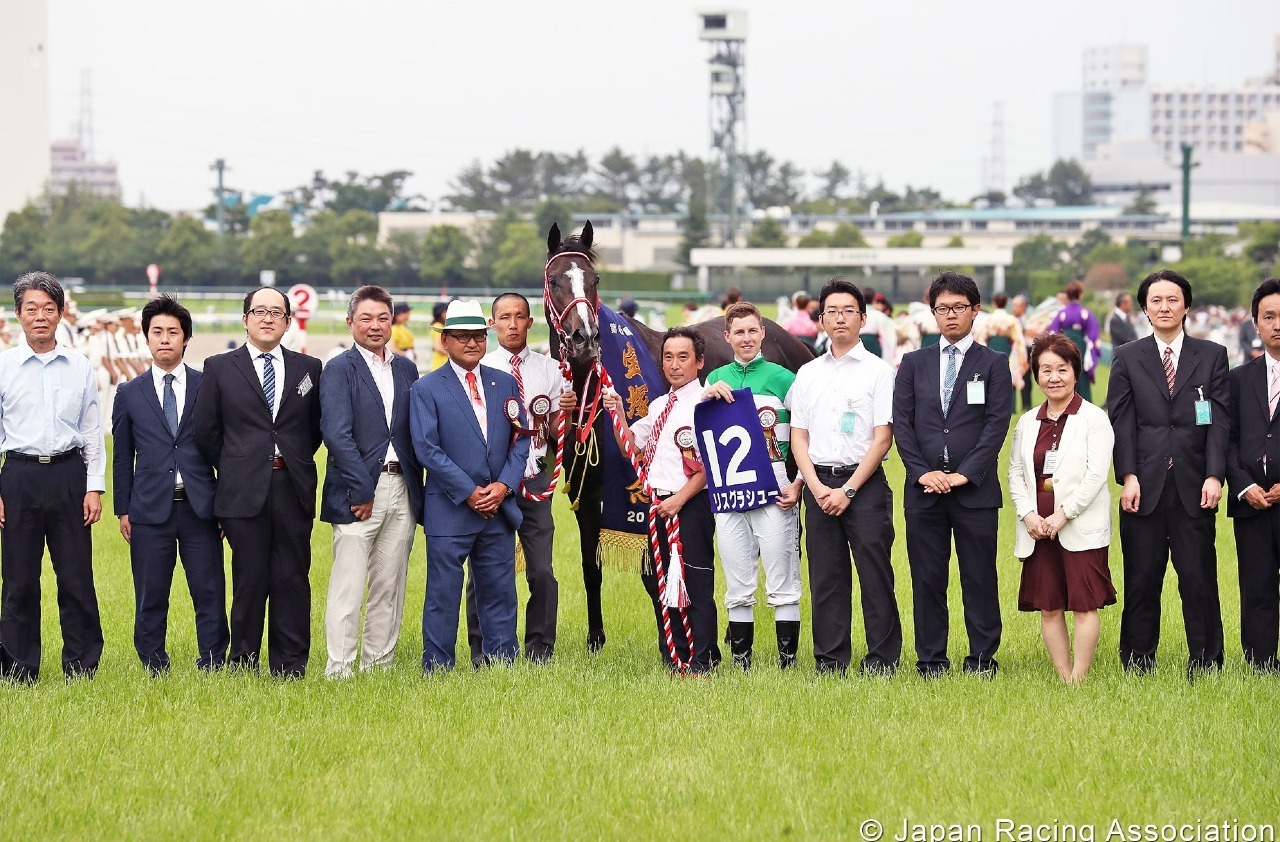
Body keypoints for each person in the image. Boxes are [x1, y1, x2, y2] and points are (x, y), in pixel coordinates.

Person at [193, 286, 324, 678]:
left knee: (292, 578)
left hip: (292, 485)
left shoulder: (308, 368)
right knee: (249, 579)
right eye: (259, 311)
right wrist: (239, 464)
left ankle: (290, 664)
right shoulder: (219, 366)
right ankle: (243, 661)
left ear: (287, 321)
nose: (268, 318)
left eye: (276, 312)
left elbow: (313, 429)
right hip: (241, 490)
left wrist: (291, 458)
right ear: (245, 318)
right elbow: (206, 432)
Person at [1106, 269, 1228, 677]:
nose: (1164, 307)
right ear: (1144, 308)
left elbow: (1219, 422)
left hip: (1195, 485)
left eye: (1172, 299)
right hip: (1144, 486)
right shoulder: (1127, 356)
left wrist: (1215, 474)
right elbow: (1121, 421)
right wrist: (1128, 475)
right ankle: (1139, 662)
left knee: (1198, 578)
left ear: (1187, 306)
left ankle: (1207, 661)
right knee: (1142, 579)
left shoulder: (1212, 355)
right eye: (1155, 300)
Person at [893, 271, 1014, 677]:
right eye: (942, 309)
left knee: (978, 578)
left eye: (958, 308)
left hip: (974, 492)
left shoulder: (994, 364)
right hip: (924, 491)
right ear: (932, 313)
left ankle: (982, 658)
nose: (950, 316)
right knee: (927, 578)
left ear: (975, 311)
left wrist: (965, 474)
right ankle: (931, 659)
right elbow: (902, 425)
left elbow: (997, 425)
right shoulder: (913, 363)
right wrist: (921, 472)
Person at [410, 299, 528, 673]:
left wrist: (505, 486)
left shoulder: (504, 383)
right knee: (443, 594)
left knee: (499, 591)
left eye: (478, 336)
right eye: (462, 337)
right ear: (445, 341)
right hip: (450, 507)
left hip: (497, 509)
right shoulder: (427, 388)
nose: (472, 343)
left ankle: (501, 664)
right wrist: (470, 492)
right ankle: (439, 666)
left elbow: (521, 439)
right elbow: (427, 448)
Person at [112, 294, 228, 674]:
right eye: (156, 332)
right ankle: (153, 663)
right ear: (146, 338)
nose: (164, 339)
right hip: (149, 510)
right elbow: (122, 455)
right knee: (150, 594)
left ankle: (211, 660)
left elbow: (224, 448)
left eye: (172, 332)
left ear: (186, 339)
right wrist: (123, 509)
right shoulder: (129, 393)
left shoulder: (207, 385)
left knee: (208, 590)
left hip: (201, 506)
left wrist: (225, 505)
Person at [790, 281, 901, 675]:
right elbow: (798, 436)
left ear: (863, 318)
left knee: (875, 575)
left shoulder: (879, 372)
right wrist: (817, 487)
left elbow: (883, 437)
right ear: (820, 320)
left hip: (865, 485)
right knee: (826, 578)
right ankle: (831, 660)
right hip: (818, 485)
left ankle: (882, 661)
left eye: (848, 310)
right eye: (832, 311)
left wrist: (849, 488)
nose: (840, 317)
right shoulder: (807, 374)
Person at [0, 271, 105, 682]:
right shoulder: (4, 366)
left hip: (68, 475)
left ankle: (81, 665)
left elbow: (93, 430)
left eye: (48, 308)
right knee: (20, 580)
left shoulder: (79, 366)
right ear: (18, 314)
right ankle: (18, 667)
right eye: (31, 308)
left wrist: (94, 486)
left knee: (76, 576)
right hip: (19, 476)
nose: (40, 316)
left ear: (60, 313)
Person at [318, 286, 423, 679]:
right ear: (350, 323)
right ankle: (340, 670)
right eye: (366, 318)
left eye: (382, 318)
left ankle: (378, 666)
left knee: (390, 584)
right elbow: (336, 434)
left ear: (391, 321)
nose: (375, 325)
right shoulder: (338, 369)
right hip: (357, 490)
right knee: (349, 586)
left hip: (403, 489)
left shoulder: (406, 369)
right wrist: (361, 490)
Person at [465, 292, 575, 664]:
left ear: (531, 322)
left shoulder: (551, 370)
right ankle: (483, 649)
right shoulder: (479, 369)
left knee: (541, 570)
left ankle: (540, 648)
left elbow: (559, 431)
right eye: (504, 317)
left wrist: (568, 415)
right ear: (492, 324)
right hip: (494, 481)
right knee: (483, 568)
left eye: (520, 317)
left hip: (536, 479)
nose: (512, 324)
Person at [603, 327, 720, 674]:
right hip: (659, 506)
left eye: (683, 357)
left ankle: (703, 657)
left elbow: (708, 467)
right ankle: (676, 653)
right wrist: (619, 414)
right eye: (668, 357)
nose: (674, 365)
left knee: (695, 580)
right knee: (664, 582)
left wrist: (679, 501)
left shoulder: (705, 404)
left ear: (699, 362)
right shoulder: (658, 406)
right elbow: (632, 448)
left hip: (689, 505)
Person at [700, 301, 803, 671]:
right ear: (727, 337)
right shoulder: (713, 379)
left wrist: (800, 481)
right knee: (736, 574)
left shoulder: (783, 378)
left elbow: (808, 434)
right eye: (738, 332)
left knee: (782, 573)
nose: (746, 338)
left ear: (762, 333)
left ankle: (786, 662)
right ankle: (741, 661)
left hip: (774, 484)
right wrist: (705, 397)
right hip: (729, 487)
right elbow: (700, 438)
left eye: (752, 331)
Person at [1008, 333, 1116, 683]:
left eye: (1062, 369)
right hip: (1038, 528)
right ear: (1036, 375)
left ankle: (1078, 679)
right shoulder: (1027, 422)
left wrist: (1062, 515)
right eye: (1045, 370)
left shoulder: (1093, 418)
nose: (1054, 378)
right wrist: (1028, 515)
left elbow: (1097, 475)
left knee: (1084, 604)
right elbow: (1015, 473)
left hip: (1077, 525)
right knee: (1049, 605)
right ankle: (1062, 674)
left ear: (1075, 371)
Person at [1226, 278, 1280, 673]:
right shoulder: (1237, 379)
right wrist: (1244, 486)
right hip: (1252, 502)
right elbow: (1223, 441)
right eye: (1269, 316)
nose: (1277, 324)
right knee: (1257, 586)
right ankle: (1260, 663)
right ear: (1255, 325)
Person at [1047, 281, 1100, 401]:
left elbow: (1052, 333)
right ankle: (1083, 402)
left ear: (1067, 295)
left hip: (1063, 346)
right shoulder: (1085, 313)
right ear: (1080, 294)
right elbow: (1093, 334)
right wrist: (1092, 350)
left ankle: (1064, 401)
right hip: (1081, 346)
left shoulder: (1061, 313)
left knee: (1065, 371)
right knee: (1081, 374)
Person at [977, 293, 1029, 413]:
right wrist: (1017, 355)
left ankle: (992, 406)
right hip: (1007, 349)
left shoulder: (988, 320)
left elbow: (980, 336)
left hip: (991, 347)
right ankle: (1011, 407)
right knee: (1010, 375)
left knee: (991, 378)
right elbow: (1019, 340)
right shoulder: (1012, 320)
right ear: (1006, 304)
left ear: (994, 303)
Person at [1011, 294, 1036, 412]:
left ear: (1024, 307)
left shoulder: (1031, 319)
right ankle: (1012, 406)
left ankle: (1026, 404)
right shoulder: (1011, 319)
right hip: (1014, 350)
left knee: (1026, 377)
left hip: (1027, 349)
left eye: (1016, 305)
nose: (1013, 308)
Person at [429, 301, 450, 371]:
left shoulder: (441, 325)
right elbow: (437, 346)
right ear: (441, 313)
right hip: (440, 362)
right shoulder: (438, 326)